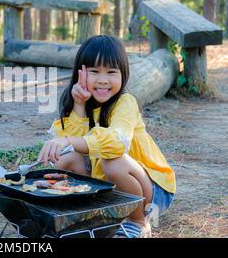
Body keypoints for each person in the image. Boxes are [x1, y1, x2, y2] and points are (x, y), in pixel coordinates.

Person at [38, 35, 176, 238]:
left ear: (123, 74)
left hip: (153, 191)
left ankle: (138, 221)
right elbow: (72, 146)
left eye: (111, 72)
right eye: (94, 72)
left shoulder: (125, 103)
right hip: (111, 187)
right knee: (66, 157)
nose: (103, 79)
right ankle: (87, 213)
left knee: (112, 161)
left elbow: (116, 142)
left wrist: (67, 140)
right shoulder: (80, 102)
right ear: (80, 73)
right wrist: (79, 106)